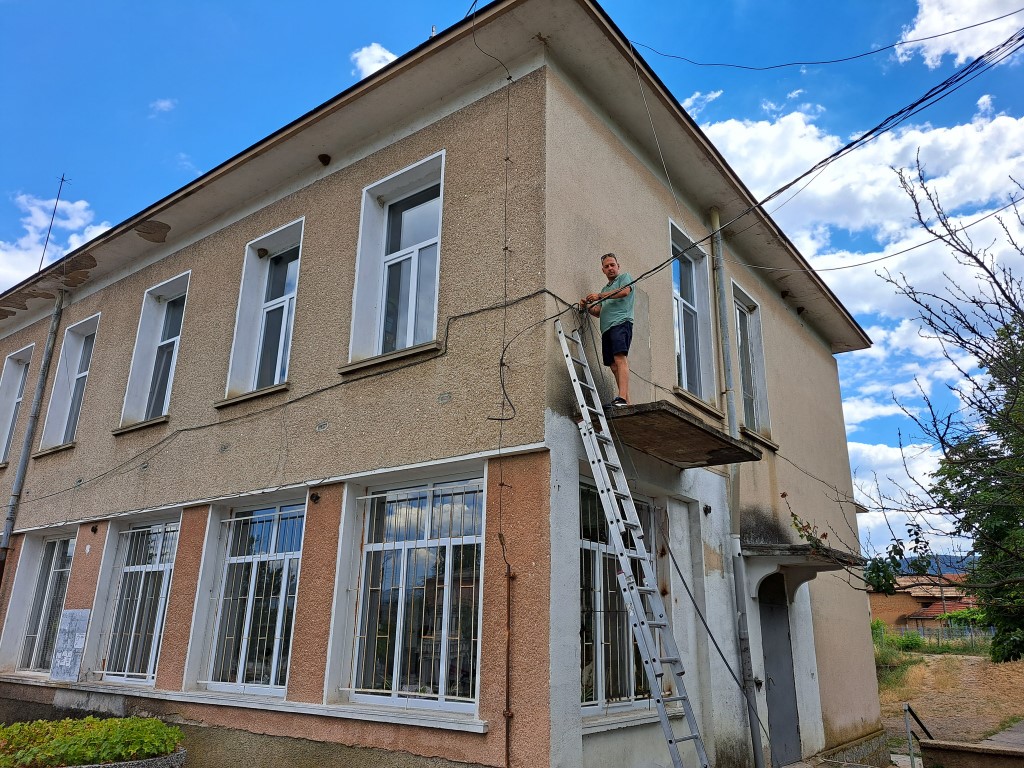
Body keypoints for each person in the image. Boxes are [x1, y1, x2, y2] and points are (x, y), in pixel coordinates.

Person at [580, 252, 634, 406]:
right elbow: (598, 312)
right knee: (613, 364)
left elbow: (624, 292)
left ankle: (622, 398)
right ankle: (626, 402)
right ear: (602, 270)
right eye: (606, 266)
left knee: (619, 358)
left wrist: (600, 296)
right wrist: (587, 306)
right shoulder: (605, 288)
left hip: (621, 322)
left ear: (618, 266)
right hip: (607, 328)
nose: (610, 268)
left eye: (613, 265)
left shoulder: (625, 278)